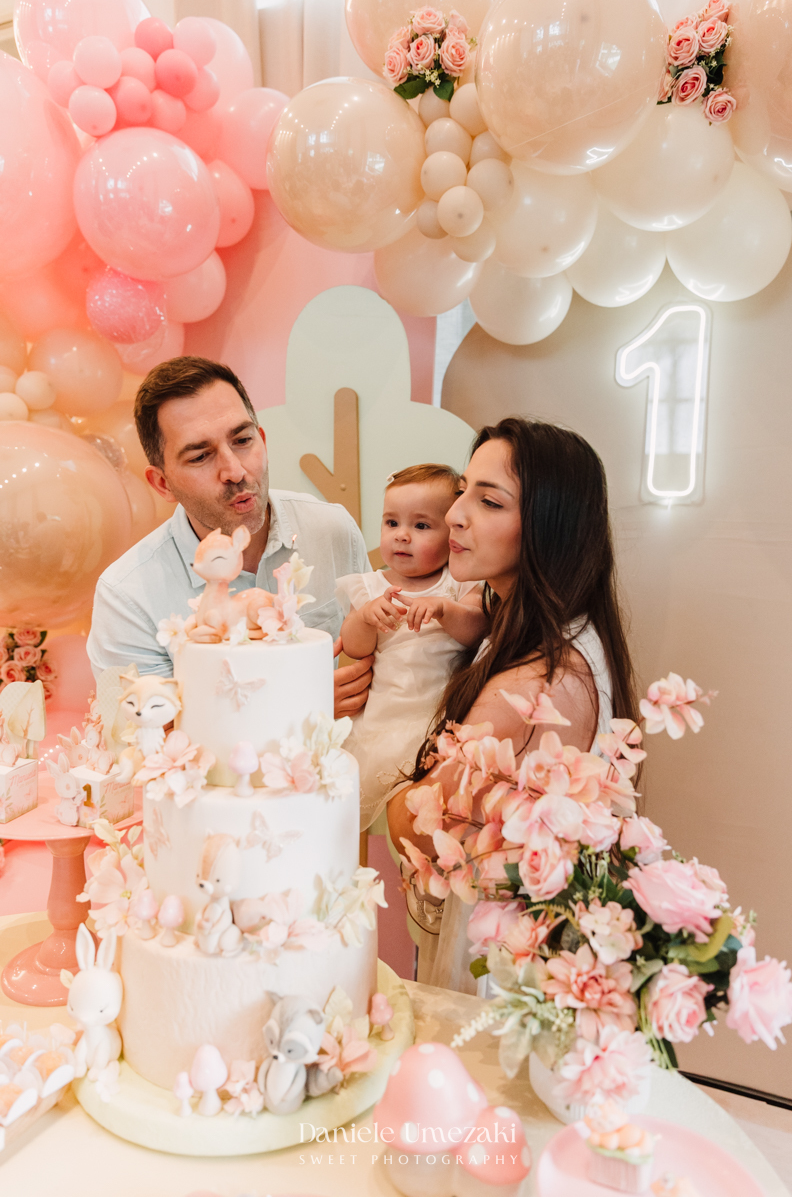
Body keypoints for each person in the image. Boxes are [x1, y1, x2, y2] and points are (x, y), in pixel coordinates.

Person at [387, 418, 638, 990]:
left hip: (503, 964)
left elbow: (418, 825)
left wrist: (397, 785)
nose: (455, 515)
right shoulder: (534, 626)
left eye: (489, 501)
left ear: (549, 530)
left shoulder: (534, 689)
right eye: (463, 492)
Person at [87, 356, 373, 719]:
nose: (235, 471)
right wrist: (301, 707)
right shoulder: (128, 595)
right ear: (163, 483)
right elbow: (148, 739)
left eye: (242, 440)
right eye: (201, 456)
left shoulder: (332, 530)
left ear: (263, 441)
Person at [336, 463, 488, 831]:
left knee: (431, 821)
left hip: (439, 720)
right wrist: (366, 618)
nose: (401, 536)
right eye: (392, 523)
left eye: (421, 526)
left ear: (451, 533)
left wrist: (445, 610)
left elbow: (477, 630)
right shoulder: (370, 586)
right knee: (373, 817)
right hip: (383, 720)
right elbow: (355, 650)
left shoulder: (459, 582)